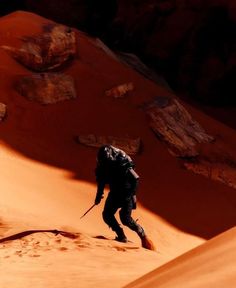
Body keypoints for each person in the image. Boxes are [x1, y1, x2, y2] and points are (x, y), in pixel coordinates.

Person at [94, 145, 154, 250]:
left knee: (125, 219)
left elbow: (135, 178)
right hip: (115, 193)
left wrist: (131, 194)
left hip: (127, 193)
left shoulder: (123, 162)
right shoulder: (102, 164)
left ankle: (142, 234)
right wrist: (99, 195)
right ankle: (121, 235)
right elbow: (101, 180)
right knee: (107, 215)